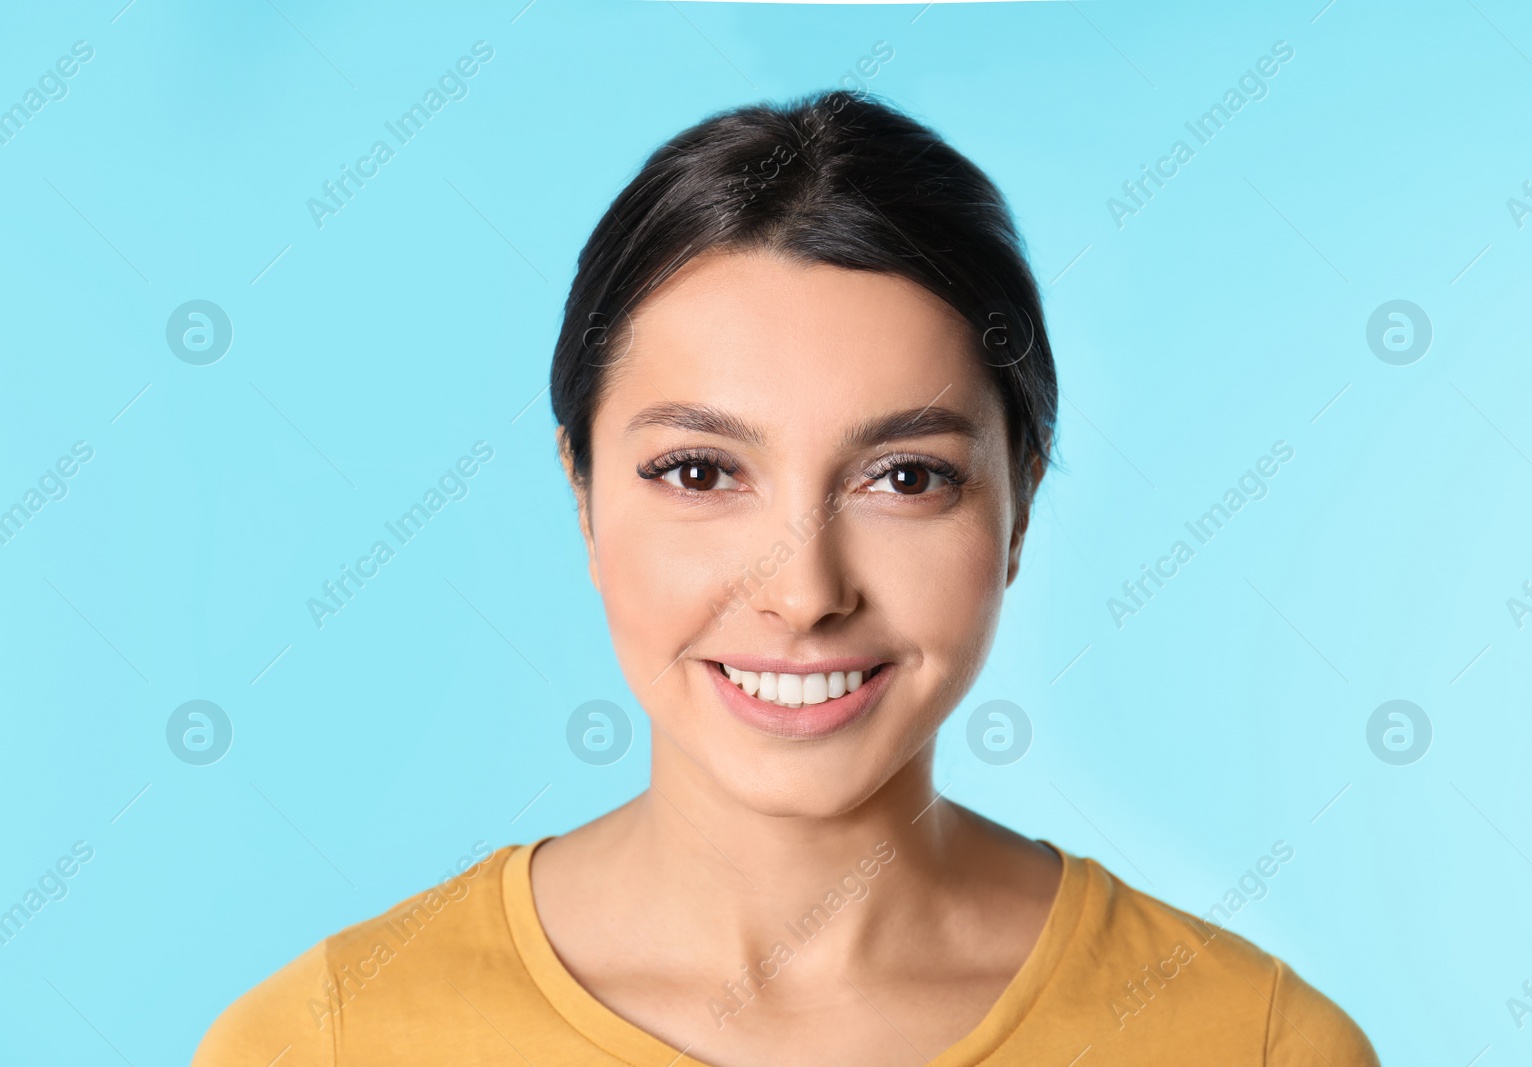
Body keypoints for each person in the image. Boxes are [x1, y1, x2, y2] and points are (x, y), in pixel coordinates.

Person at [195, 89, 1380, 1066]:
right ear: (582, 491)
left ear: (1016, 502)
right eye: (701, 470)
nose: (803, 589)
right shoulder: (325, 1041)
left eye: (905, 477)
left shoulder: (1251, 1044)